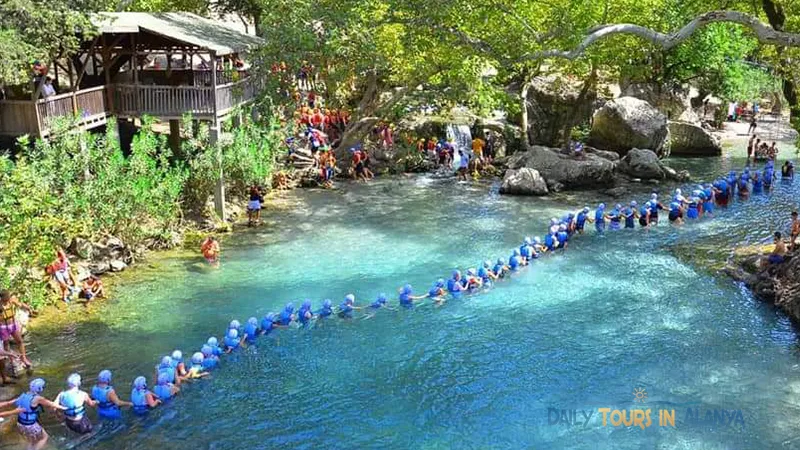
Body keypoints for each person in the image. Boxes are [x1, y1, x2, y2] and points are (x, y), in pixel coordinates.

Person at [0, 378, 65, 450]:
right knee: (44, 438)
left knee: (32, 441)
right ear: (40, 389)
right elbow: (52, 404)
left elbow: (8, 403)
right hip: (30, 425)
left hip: (20, 424)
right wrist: (65, 408)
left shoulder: (23, 395)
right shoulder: (38, 399)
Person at [0, 290, 33, 367]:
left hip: (13, 324)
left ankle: (23, 358)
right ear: (2, 297)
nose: (9, 297)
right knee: (6, 344)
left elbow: (20, 304)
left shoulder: (11, 301)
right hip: (4, 327)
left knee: (20, 341)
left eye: (9, 295)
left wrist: (28, 308)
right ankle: (12, 360)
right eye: (7, 296)